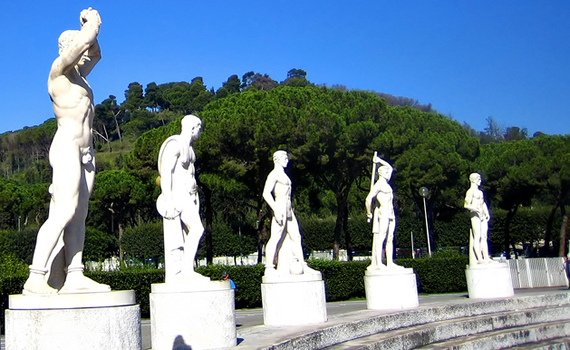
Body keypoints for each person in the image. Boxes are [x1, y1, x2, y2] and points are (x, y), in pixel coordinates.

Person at [23, 8, 110, 295]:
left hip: (87, 152)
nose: (85, 55)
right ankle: (36, 277)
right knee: (64, 210)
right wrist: (91, 26)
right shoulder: (58, 72)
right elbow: (84, 46)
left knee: (79, 214)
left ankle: (74, 274)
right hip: (68, 146)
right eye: (79, 49)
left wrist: (89, 31)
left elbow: (95, 54)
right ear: (68, 48)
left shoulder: (81, 78)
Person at [157, 115, 208, 283]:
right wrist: (169, 199)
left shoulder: (189, 148)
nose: (200, 132)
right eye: (199, 129)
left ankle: (188, 269)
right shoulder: (175, 144)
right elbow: (166, 172)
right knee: (197, 229)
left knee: (190, 233)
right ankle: (185, 270)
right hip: (179, 194)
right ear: (193, 128)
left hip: (191, 195)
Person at [263, 150, 319, 277]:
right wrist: (275, 208)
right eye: (284, 158)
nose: (287, 160)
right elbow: (266, 193)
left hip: (289, 208)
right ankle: (269, 267)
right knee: (275, 237)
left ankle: (303, 265)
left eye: (287, 158)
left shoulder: (283, 174)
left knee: (296, 236)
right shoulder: (274, 174)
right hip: (280, 206)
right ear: (277, 159)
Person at [365, 155, 401, 270]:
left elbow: (390, 167)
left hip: (391, 213)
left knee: (390, 237)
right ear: (381, 173)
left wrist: (379, 160)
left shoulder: (386, 182)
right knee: (381, 237)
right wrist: (369, 213)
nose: (388, 173)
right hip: (383, 212)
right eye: (385, 172)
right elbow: (368, 199)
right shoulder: (379, 184)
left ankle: (390, 262)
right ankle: (378, 262)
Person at [464, 173, 492, 263]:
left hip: (482, 215)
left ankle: (486, 257)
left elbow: (483, 203)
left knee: (484, 236)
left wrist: (487, 212)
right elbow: (466, 205)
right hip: (475, 215)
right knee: (478, 236)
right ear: (473, 180)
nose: (480, 180)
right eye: (478, 179)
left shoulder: (480, 192)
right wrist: (476, 209)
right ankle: (479, 258)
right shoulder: (470, 191)